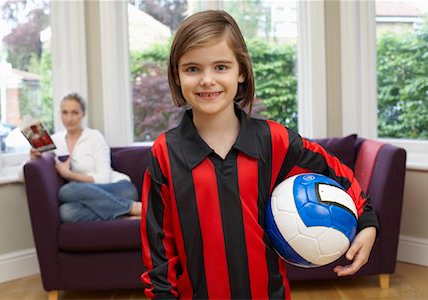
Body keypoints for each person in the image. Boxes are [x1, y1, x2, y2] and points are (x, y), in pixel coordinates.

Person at [140, 10, 378, 299]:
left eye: (220, 67)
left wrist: (366, 223)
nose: (206, 80)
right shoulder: (165, 153)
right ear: (176, 76)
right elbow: (158, 249)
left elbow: (337, 173)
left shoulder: (274, 140)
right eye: (192, 69)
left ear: (241, 71)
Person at [30, 93, 142, 222]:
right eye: (65, 113)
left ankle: (135, 208)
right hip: (86, 196)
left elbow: (104, 178)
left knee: (67, 190)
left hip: (120, 189)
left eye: (74, 113)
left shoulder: (94, 137)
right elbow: (22, 176)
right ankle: (123, 215)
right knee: (66, 212)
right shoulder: (55, 141)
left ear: (83, 114)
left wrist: (69, 175)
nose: (69, 118)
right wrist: (33, 158)